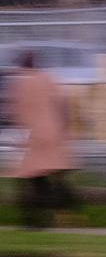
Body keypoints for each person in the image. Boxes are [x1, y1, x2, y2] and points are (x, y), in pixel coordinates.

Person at [5, 51, 76, 228]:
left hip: (36, 137)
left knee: (29, 178)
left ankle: (36, 219)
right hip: (54, 134)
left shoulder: (21, 82)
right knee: (45, 176)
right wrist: (63, 128)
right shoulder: (47, 78)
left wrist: (21, 134)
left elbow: (18, 110)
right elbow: (62, 103)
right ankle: (56, 211)